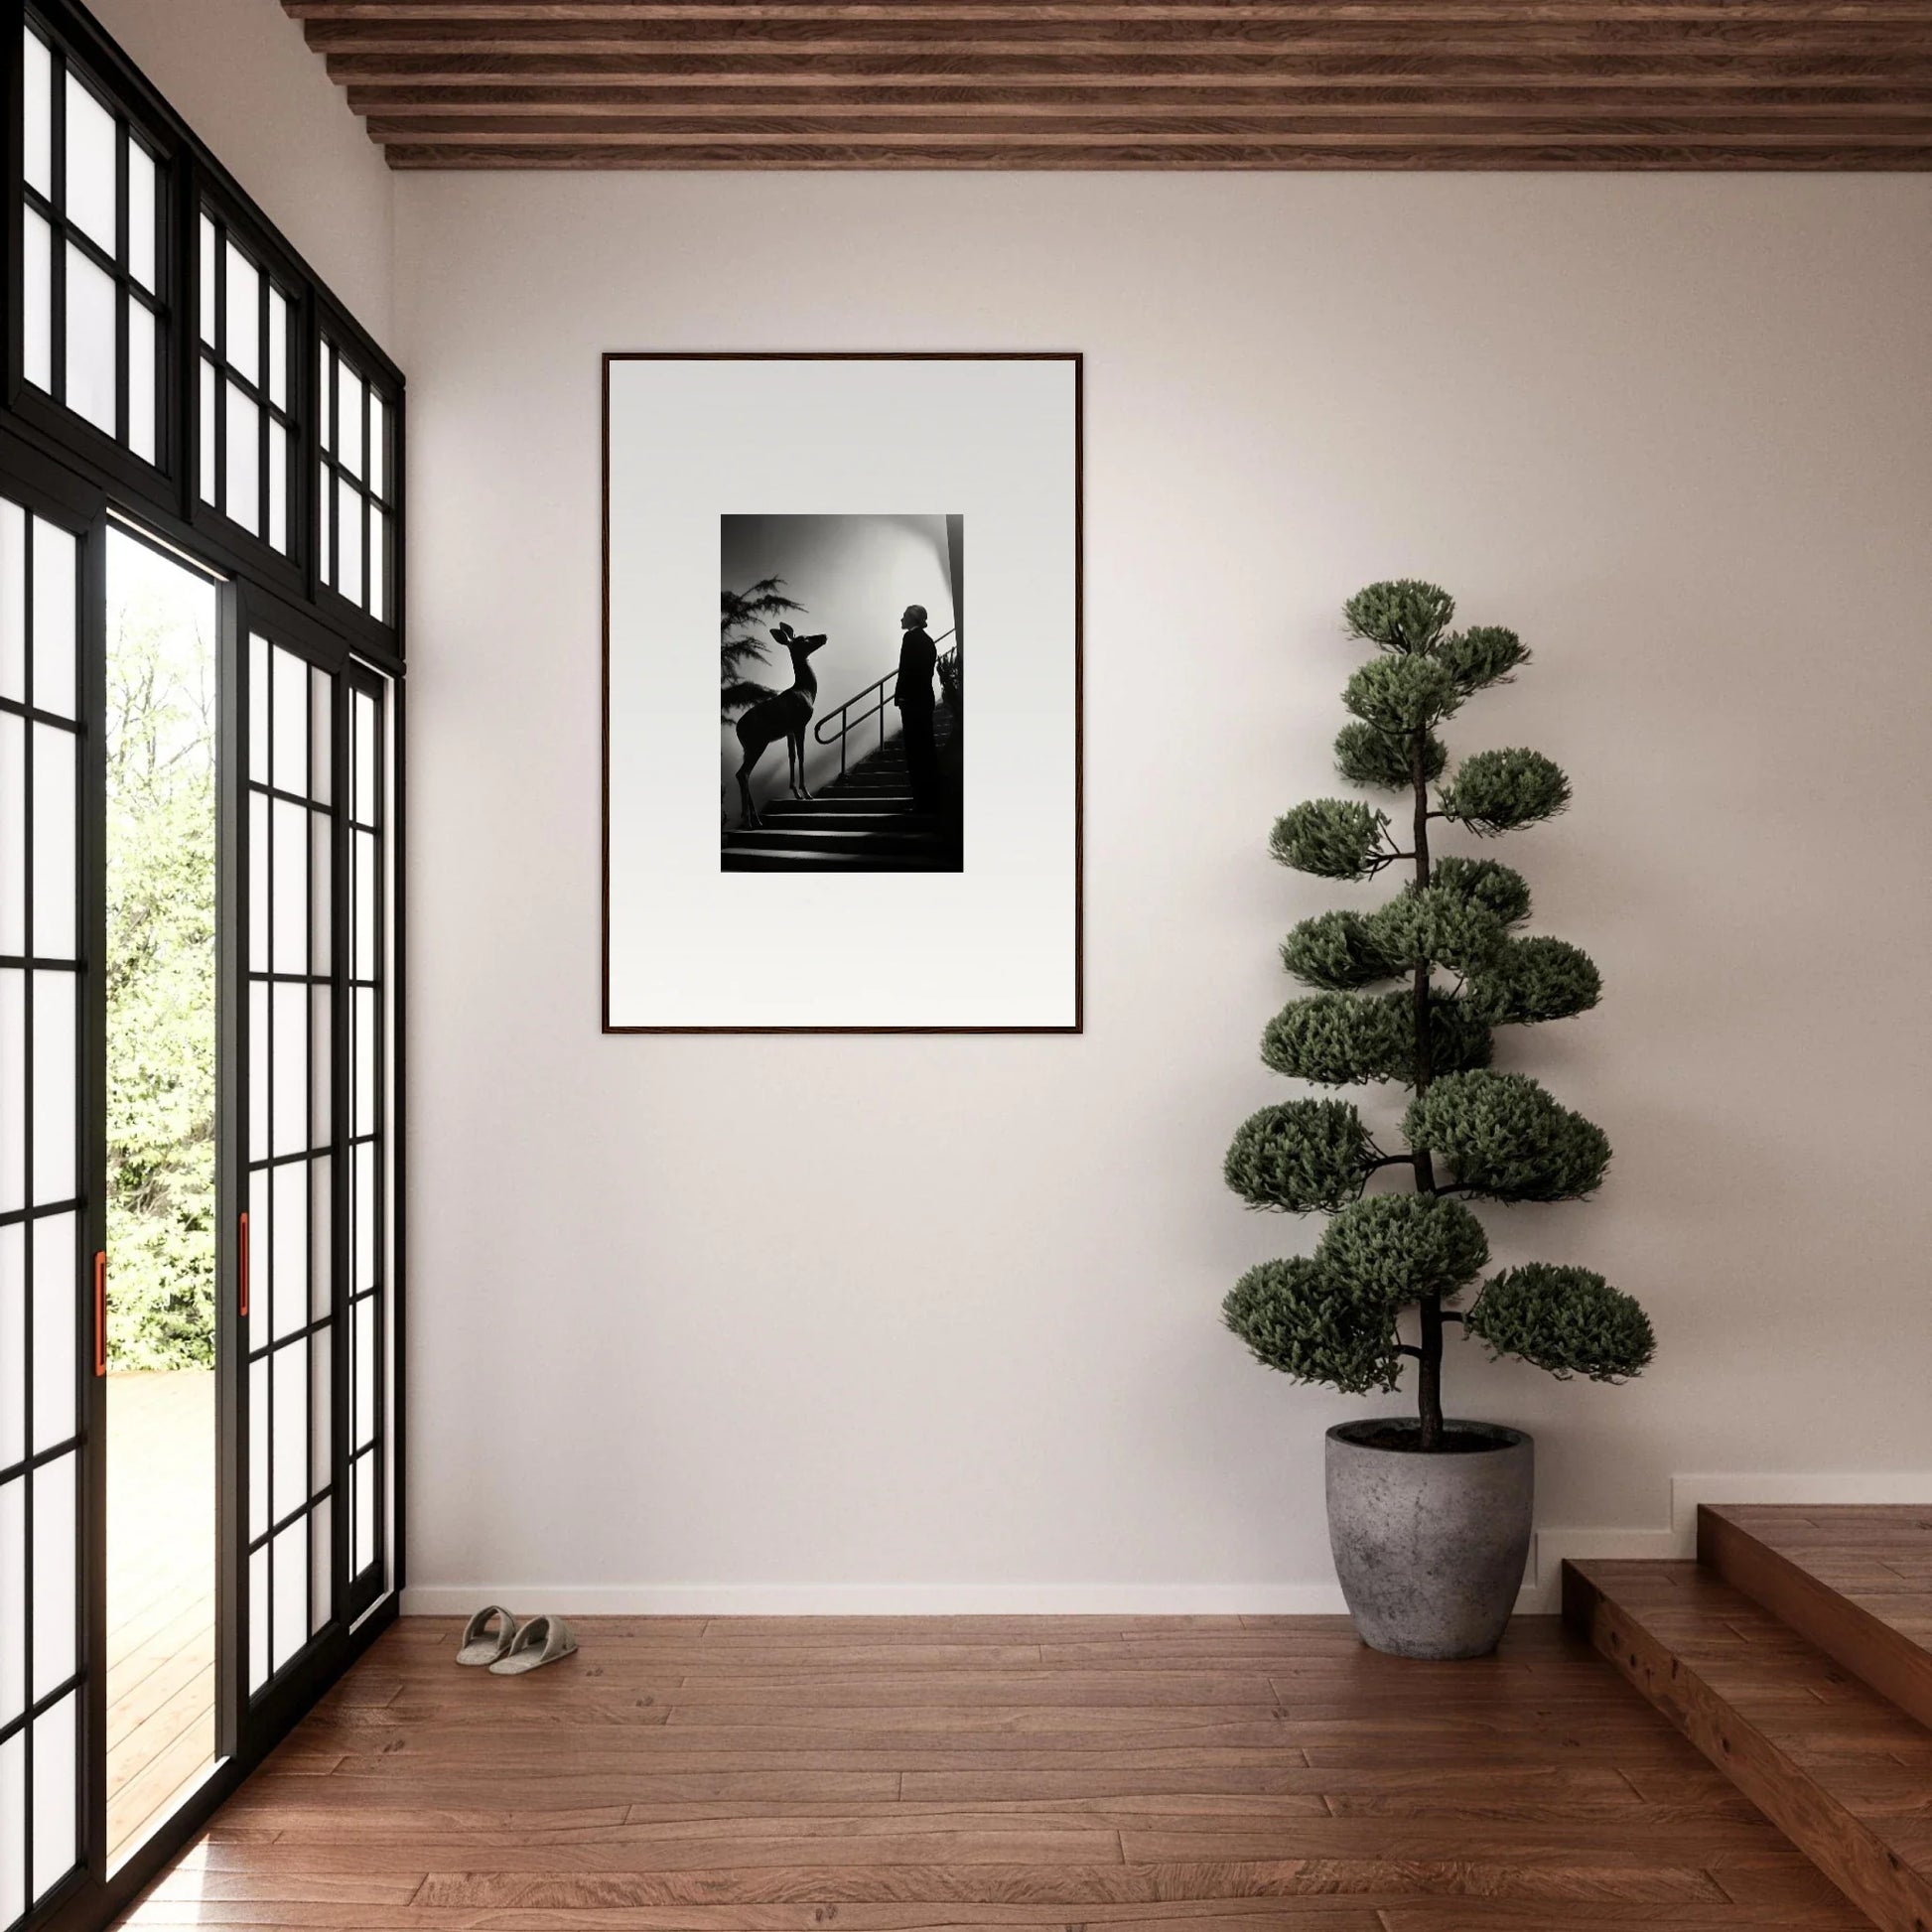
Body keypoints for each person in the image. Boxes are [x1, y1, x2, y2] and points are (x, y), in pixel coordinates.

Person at [894, 603, 939, 812]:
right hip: (925, 700)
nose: (901, 619)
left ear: (912, 618)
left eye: (904, 615)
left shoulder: (910, 638)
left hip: (913, 702)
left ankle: (921, 802)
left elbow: (907, 670)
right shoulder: (928, 641)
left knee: (915, 753)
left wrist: (902, 696)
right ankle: (930, 799)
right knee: (926, 751)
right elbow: (925, 673)